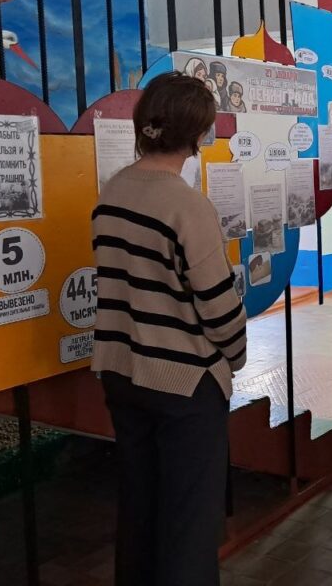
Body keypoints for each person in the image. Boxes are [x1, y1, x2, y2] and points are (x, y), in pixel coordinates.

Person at [91, 73, 247, 586]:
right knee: (188, 525)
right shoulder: (187, 206)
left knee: (139, 509)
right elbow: (218, 307)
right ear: (198, 135)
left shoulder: (112, 191)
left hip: (121, 374)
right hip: (184, 384)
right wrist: (236, 355)